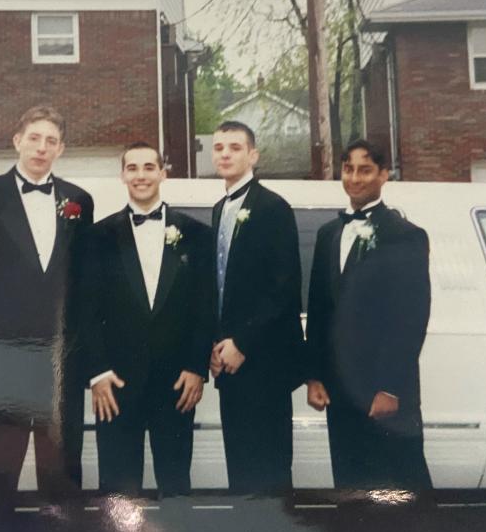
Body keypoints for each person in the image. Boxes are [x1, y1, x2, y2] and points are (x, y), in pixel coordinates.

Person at [0, 105, 94, 525]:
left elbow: (84, 287)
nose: (42, 148)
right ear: (17, 140)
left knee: (62, 478)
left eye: (51, 141)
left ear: (61, 149)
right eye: (35, 138)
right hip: (0, 360)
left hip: (58, 364)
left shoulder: (79, 202)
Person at [76, 143, 213, 496]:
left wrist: (196, 366)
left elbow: (205, 306)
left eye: (149, 167)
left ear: (163, 173)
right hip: (115, 385)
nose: (141, 175)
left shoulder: (197, 235)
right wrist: (98, 373)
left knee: (176, 486)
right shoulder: (97, 237)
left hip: (177, 384)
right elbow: (85, 310)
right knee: (118, 494)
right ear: (122, 175)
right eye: (133, 168)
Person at [305, 139, 432, 491]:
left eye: (365, 170)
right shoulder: (328, 234)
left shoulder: (405, 236)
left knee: (398, 488)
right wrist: (314, 376)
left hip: (383, 391)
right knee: (351, 485)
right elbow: (318, 309)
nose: (355, 178)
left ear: (383, 175)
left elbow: (410, 318)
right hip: (338, 389)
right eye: (348, 169)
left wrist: (390, 388)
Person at [210, 120, 303, 495]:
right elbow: (220, 285)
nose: (226, 154)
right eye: (219, 148)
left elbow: (284, 288)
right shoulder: (219, 209)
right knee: (241, 469)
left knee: (269, 468)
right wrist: (217, 345)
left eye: (235, 147)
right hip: (229, 363)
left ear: (253, 155)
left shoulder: (274, 207)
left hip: (264, 361)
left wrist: (242, 342)